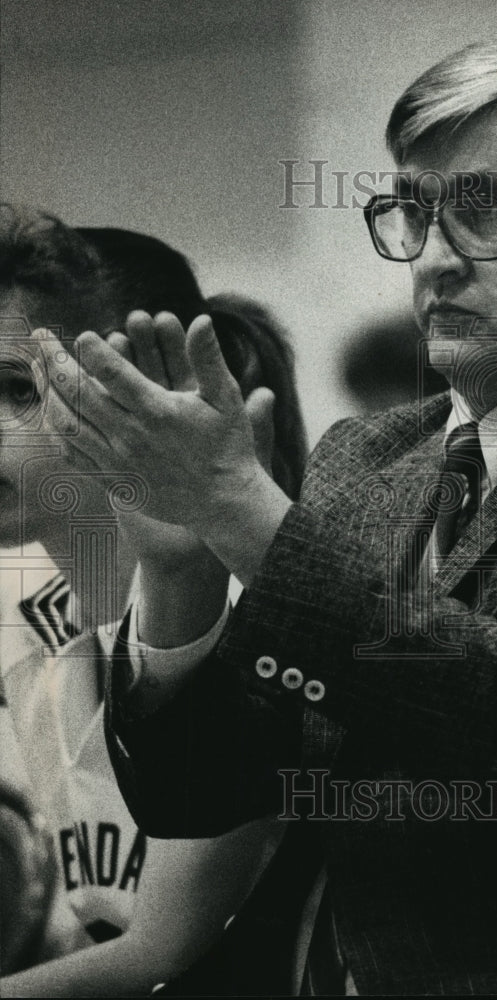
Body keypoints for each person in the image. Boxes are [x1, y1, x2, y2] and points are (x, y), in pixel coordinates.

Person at [35, 32, 497, 994]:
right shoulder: (367, 459)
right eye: (410, 214)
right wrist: (181, 570)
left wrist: (241, 506)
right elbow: (195, 790)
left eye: (479, 212)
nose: (432, 259)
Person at [0, 206, 307, 995]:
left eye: (12, 389)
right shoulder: (22, 612)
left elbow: (162, 952)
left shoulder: (251, 609)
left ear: (140, 391)